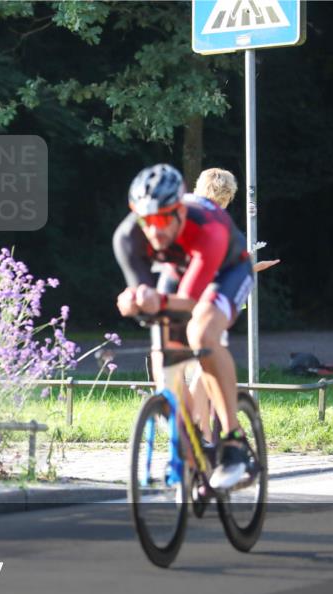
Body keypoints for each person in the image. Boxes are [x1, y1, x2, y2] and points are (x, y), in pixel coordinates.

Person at [113, 164, 255, 489]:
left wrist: (155, 301)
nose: (155, 231)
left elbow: (189, 304)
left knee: (200, 333)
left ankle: (233, 440)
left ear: (179, 210)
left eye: (163, 219)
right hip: (180, 267)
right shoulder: (126, 237)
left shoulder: (209, 227)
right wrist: (136, 300)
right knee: (164, 359)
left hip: (228, 270)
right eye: (147, 222)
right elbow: (149, 299)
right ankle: (191, 439)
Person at [187, 167, 280, 441]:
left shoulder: (190, 213)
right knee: (205, 361)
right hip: (212, 297)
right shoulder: (220, 224)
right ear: (228, 197)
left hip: (200, 296)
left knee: (202, 359)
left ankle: (200, 428)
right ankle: (200, 427)